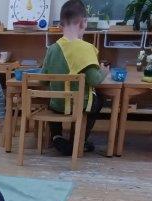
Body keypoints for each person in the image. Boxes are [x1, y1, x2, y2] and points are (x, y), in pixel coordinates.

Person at [41, 0, 109, 155]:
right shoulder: (86, 48)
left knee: (52, 98)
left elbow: (44, 79)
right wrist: (104, 71)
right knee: (99, 99)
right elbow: (94, 80)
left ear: (60, 25)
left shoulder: (51, 49)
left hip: (57, 105)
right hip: (79, 105)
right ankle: (80, 141)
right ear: (84, 22)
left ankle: (57, 136)